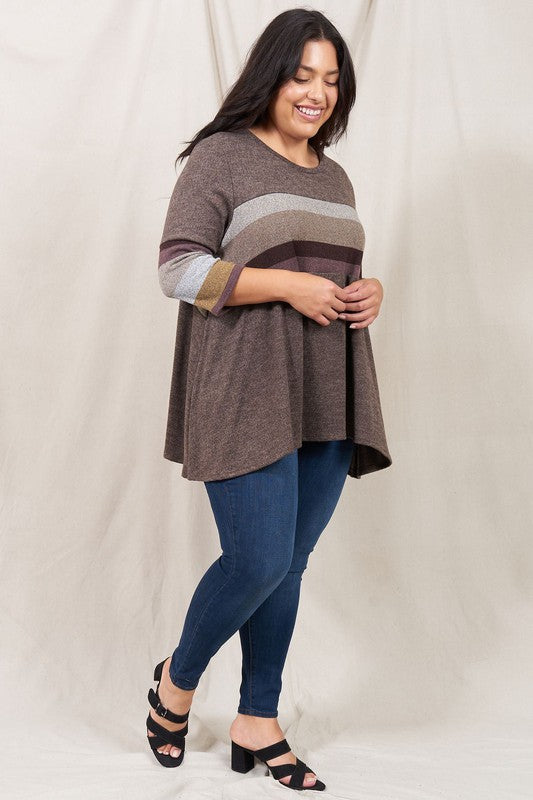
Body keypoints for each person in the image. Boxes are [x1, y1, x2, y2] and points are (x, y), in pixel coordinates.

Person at [146, 7, 392, 792]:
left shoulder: (334, 174)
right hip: (244, 387)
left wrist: (368, 291)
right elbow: (178, 269)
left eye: (330, 79)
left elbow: (335, 267)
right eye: (301, 74)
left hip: (325, 385)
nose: (316, 92)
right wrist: (284, 284)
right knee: (256, 557)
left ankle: (258, 719)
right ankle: (174, 685)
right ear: (270, 74)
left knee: (288, 563)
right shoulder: (221, 157)